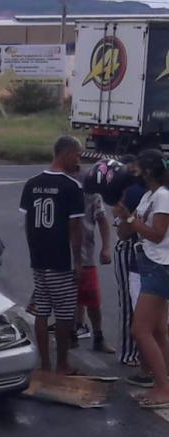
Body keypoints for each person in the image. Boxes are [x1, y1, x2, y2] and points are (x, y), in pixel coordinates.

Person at [20, 136, 85, 374]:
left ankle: (45, 364)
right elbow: (75, 228)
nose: (78, 160)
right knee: (65, 313)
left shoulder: (32, 183)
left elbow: (28, 222)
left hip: (39, 257)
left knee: (42, 311)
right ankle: (62, 364)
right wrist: (77, 261)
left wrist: (33, 248)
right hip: (61, 259)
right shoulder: (72, 187)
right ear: (66, 153)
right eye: (77, 155)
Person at [113, 150, 169, 408]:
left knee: (141, 330)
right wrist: (124, 217)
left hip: (160, 267)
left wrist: (132, 219)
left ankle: (162, 388)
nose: (133, 171)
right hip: (150, 264)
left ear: (147, 170)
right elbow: (127, 231)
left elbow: (157, 234)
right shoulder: (149, 196)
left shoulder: (163, 197)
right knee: (157, 330)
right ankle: (164, 382)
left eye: (137, 167)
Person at [111, 156, 150, 383]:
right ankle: (128, 352)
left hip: (139, 249)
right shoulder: (134, 192)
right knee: (128, 301)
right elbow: (122, 230)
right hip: (129, 248)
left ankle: (138, 352)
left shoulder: (146, 193)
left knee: (140, 306)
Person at [73, 188, 115, 353]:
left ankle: (98, 337)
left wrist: (105, 247)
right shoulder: (59, 188)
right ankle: (76, 329)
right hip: (63, 254)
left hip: (85, 255)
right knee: (70, 296)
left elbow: (103, 221)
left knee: (92, 298)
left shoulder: (92, 193)